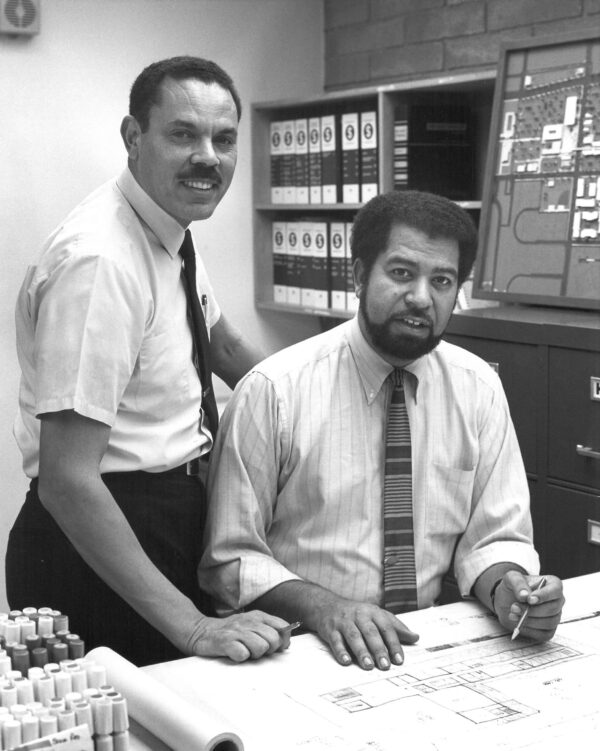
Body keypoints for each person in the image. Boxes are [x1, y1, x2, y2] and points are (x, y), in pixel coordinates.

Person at [198, 190, 565, 672]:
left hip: (420, 648)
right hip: (297, 649)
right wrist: (325, 607)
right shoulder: (274, 391)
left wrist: (510, 590)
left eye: (442, 280)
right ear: (357, 275)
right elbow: (231, 560)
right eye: (401, 273)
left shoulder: (478, 389)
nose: (420, 297)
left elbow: (494, 538)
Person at [6, 56, 292, 666]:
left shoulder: (166, 227)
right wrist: (192, 627)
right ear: (134, 138)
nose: (207, 157)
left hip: (169, 519)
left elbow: (223, 347)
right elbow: (68, 480)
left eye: (223, 139)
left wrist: (317, 412)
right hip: (100, 541)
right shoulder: (101, 262)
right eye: (183, 134)